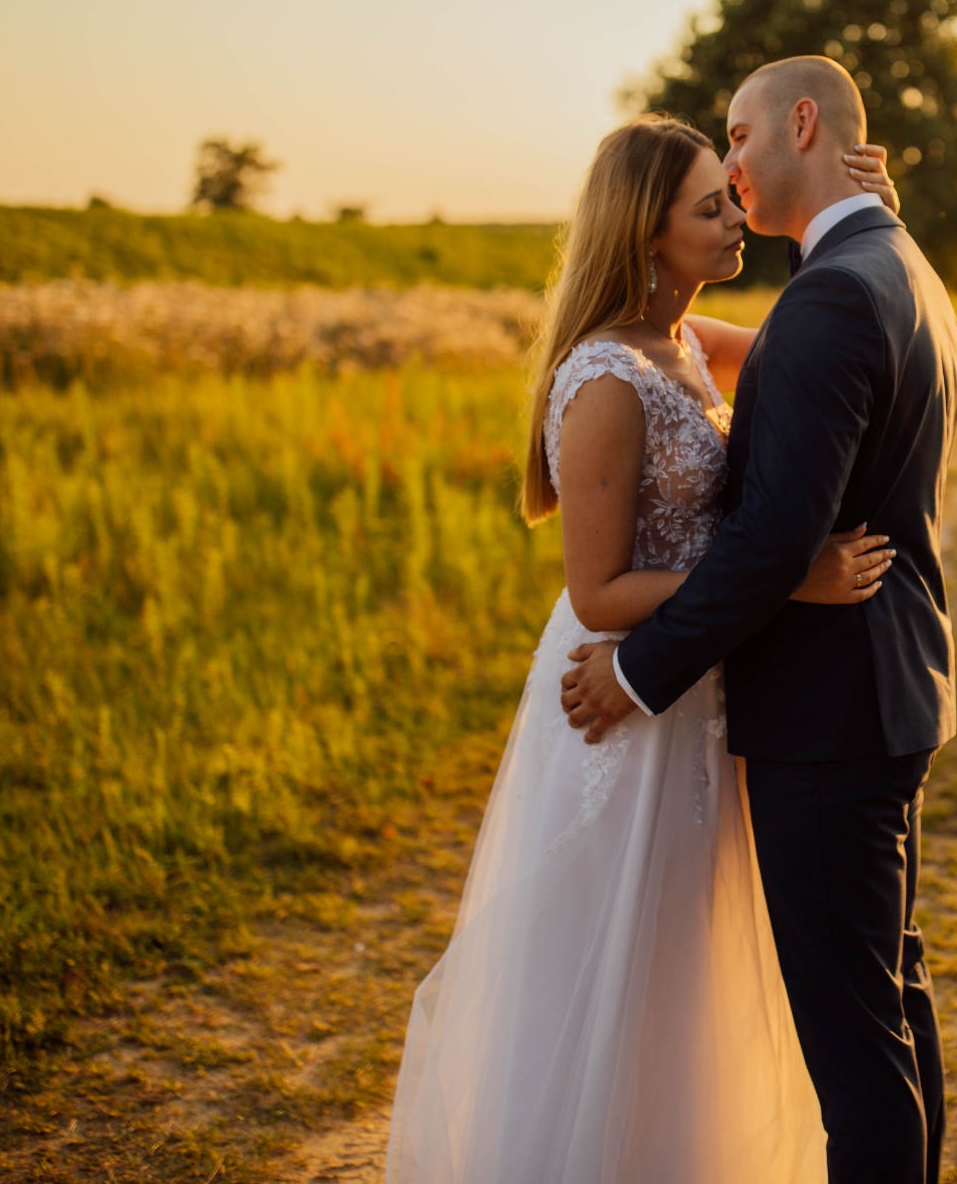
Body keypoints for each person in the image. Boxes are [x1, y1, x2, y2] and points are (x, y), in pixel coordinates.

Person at [382, 113, 902, 1182]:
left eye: (732, 197)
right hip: (620, 697)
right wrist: (788, 578)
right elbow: (598, 591)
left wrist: (865, 217)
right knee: (609, 957)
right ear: (644, 232)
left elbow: (832, 336)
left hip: (698, 688)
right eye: (711, 207)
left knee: (687, 964)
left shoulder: (688, 342)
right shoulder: (608, 379)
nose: (736, 219)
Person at [563, 55, 957, 1184]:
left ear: (800, 122)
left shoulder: (834, 291)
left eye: (738, 139)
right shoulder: (891, 261)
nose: (733, 168)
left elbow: (773, 541)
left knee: (855, 1043)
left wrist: (633, 673)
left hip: (828, 714)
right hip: (880, 694)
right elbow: (783, 374)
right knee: (886, 999)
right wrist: (865, 205)